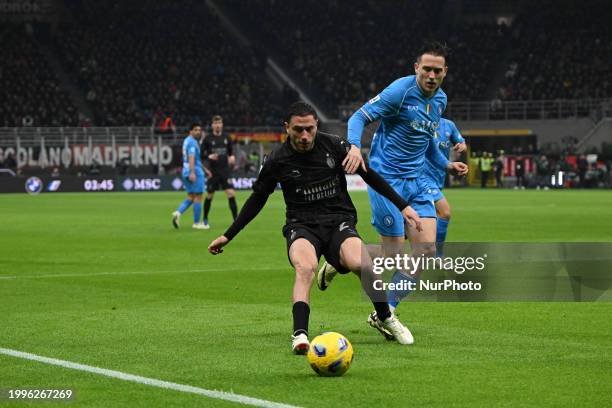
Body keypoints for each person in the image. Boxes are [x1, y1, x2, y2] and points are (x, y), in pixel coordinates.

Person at [207, 102, 420, 353]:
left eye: (309, 129)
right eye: (298, 130)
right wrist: (228, 235)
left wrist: (403, 206)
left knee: (362, 263)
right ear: (286, 128)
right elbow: (257, 200)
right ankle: (300, 335)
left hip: (338, 220)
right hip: (302, 225)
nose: (305, 136)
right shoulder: (276, 160)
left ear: (316, 125)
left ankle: (386, 317)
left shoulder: (334, 145)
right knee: (305, 268)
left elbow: (369, 175)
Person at [319, 40, 468, 339]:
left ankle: (383, 312)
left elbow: (426, 142)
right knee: (393, 254)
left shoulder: (440, 100)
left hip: (417, 182)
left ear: (445, 72)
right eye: (426, 69)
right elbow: (359, 116)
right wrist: (354, 148)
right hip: (386, 181)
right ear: (416, 68)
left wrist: (446, 165)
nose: (431, 75)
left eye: (437, 70)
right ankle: (339, 259)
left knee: (424, 251)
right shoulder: (399, 92)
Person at [419, 117, 466, 257]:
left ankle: (422, 250)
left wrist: (462, 146)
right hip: (422, 175)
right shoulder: (420, 122)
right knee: (444, 212)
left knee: (428, 217)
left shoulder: (449, 125)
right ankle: (437, 256)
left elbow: (462, 142)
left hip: (439, 176)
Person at [201, 115, 238, 228]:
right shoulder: (208, 139)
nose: (217, 125)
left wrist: (232, 157)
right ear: (212, 125)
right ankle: (205, 219)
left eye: (219, 123)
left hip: (225, 171)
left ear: (222, 125)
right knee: (209, 196)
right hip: (213, 172)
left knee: (231, 193)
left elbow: (231, 153)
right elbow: (201, 155)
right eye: (215, 123)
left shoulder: (227, 137)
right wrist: (209, 155)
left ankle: (236, 221)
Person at [172, 123, 210, 230]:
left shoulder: (186, 141)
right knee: (198, 197)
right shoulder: (193, 143)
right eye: (195, 130)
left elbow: (196, 159)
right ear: (190, 131)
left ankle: (178, 213)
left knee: (191, 196)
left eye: (199, 130)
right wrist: (193, 172)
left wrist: (205, 169)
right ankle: (197, 223)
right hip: (195, 172)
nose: (198, 132)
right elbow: (192, 157)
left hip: (186, 171)